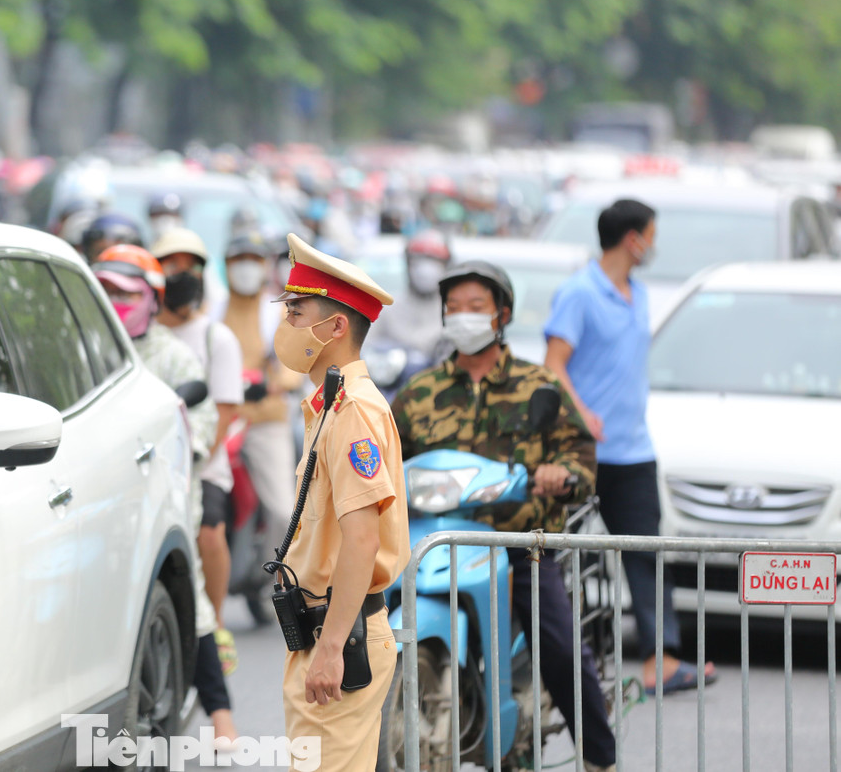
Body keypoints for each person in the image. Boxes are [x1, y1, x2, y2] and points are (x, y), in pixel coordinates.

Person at [392, 261, 616, 772]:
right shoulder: (419, 393)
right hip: (433, 543)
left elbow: (580, 456)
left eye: (476, 307)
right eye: (454, 307)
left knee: (559, 648)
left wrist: (561, 474)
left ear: (503, 315)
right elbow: (385, 456)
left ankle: (601, 759)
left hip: (519, 546)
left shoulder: (539, 386)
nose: (463, 316)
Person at [543, 198, 715, 696]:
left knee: (647, 556)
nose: (654, 246)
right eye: (651, 236)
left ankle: (662, 661)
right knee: (555, 553)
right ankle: (549, 661)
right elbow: (554, 363)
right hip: (582, 451)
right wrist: (581, 413)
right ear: (632, 238)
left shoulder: (638, 294)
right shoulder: (580, 292)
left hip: (634, 450)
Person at [91, 245, 241, 749]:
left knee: (189, 596)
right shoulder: (85, 348)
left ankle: (221, 715)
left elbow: (201, 425)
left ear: (153, 298)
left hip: (165, 490)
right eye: (105, 290)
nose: (116, 301)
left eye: (126, 293)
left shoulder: (174, 356)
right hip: (97, 493)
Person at [271, 232, 406, 772]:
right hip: (328, 632)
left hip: (340, 638)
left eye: (296, 312)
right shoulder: (331, 404)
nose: (286, 323)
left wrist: (329, 649)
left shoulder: (352, 411)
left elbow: (362, 539)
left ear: (335, 327)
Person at [151, 229, 244, 666]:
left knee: (209, 531)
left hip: (203, 464)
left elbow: (224, 412)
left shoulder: (215, 338)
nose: (183, 275)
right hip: (150, 460)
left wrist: (195, 457)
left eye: (191, 267)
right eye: (173, 266)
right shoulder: (142, 335)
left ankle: (215, 621)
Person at [219, 230, 302, 537]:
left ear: (265, 266)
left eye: (253, 260)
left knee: (283, 513)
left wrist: (272, 384)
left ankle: (277, 567)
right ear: (226, 266)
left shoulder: (277, 312)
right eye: (239, 260)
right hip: (221, 423)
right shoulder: (213, 311)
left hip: (265, 421)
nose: (246, 267)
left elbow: (293, 366)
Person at [367, 228, 451, 363]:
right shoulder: (387, 308)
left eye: (434, 261)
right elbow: (366, 347)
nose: (425, 270)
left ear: (446, 265)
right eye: (418, 260)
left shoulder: (452, 311)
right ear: (408, 263)